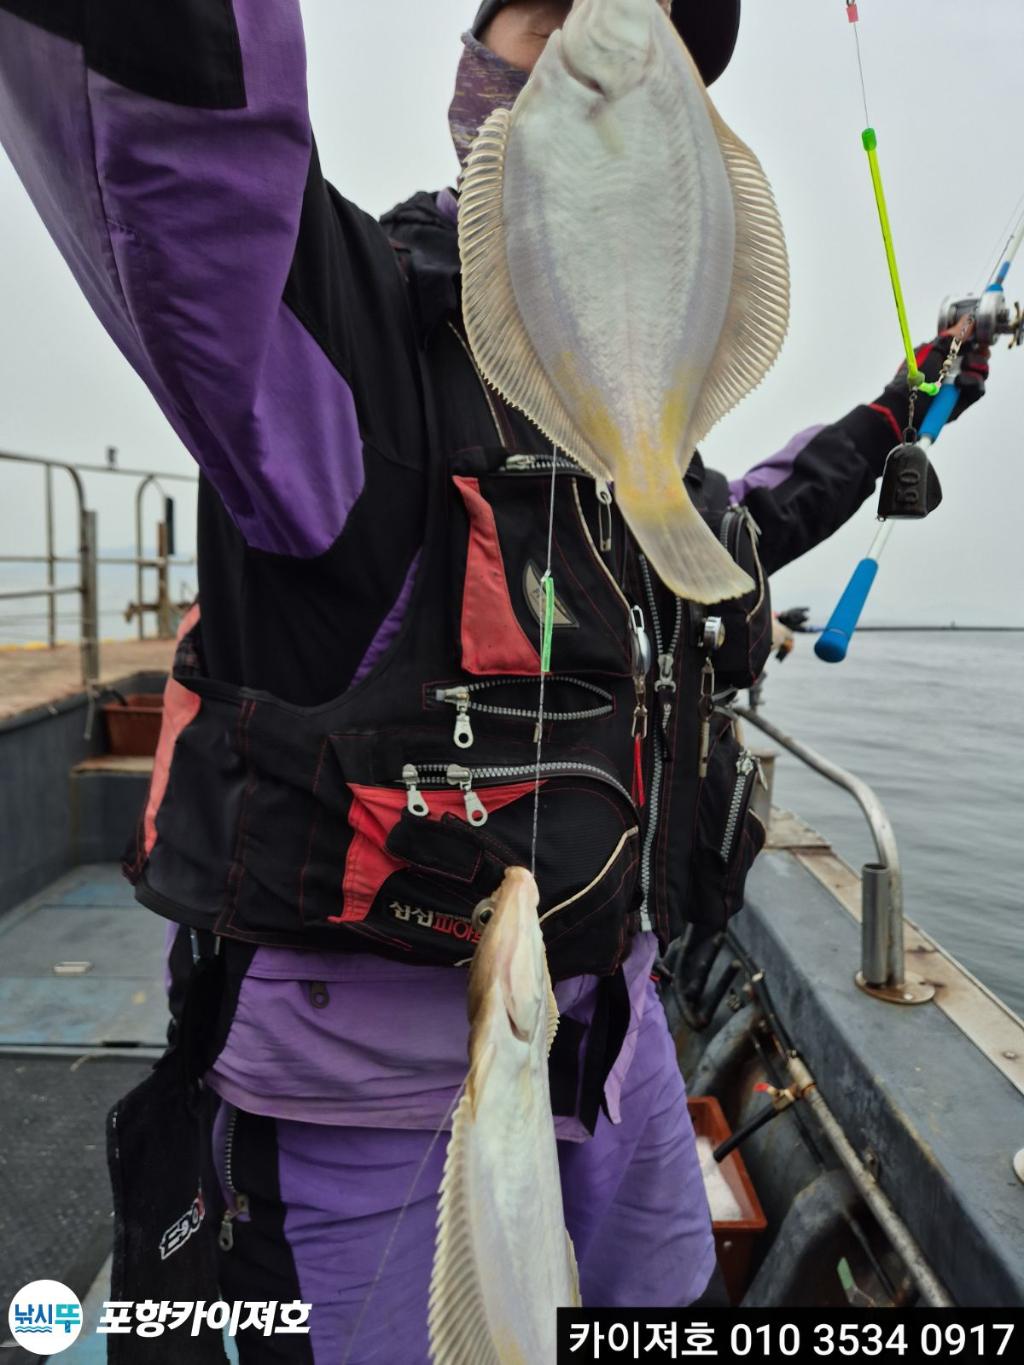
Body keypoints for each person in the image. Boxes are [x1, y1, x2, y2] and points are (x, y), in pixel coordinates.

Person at [0, 2, 987, 1359]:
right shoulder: (336, 336)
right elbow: (176, 132)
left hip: (616, 1042)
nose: (612, 30)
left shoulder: (636, 442)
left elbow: (733, 526)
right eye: (558, 3)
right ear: (477, 69)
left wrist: (898, 410)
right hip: (370, 1102)